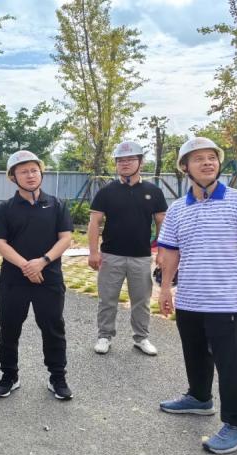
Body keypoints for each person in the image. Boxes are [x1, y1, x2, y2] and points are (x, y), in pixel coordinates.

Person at [157, 137, 237, 455]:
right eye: (198, 159)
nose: (207, 163)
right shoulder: (177, 209)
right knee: (195, 353)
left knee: (231, 365)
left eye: (212, 157)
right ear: (185, 167)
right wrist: (165, 288)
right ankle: (199, 398)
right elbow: (170, 252)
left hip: (225, 300)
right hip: (189, 298)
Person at [0, 150, 74, 400]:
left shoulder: (57, 205)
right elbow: (0, 242)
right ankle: (9, 376)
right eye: (23, 171)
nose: (30, 175)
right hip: (13, 279)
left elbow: (66, 238)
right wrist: (27, 266)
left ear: (41, 173)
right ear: (13, 177)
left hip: (49, 278)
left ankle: (57, 377)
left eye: (34, 170)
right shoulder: (4, 209)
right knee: (9, 328)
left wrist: (43, 262)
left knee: (53, 328)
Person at [87, 140, 168, 355]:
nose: (125, 163)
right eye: (120, 160)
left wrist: (161, 252)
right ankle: (104, 336)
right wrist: (93, 252)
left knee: (141, 301)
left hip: (141, 256)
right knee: (107, 299)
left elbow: (162, 222)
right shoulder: (106, 191)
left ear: (140, 162)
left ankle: (141, 338)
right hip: (110, 255)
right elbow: (94, 222)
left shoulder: (153, 191)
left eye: (130, 159)